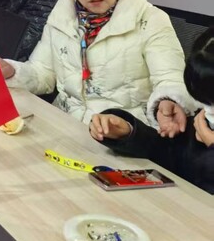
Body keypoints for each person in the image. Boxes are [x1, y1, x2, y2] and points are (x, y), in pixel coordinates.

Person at [0, 0, 195, 130]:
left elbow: (171, 78)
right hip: (66, 125)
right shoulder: (61, 18)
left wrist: (168, 101)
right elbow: (43, 73)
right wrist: (13, 71)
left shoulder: (150, 20)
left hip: (124, 133)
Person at [89, 28, 214, 194]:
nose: (209, 111)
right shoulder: (202, 119)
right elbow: (168, 156)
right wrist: (128, 132)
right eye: (205, 101)